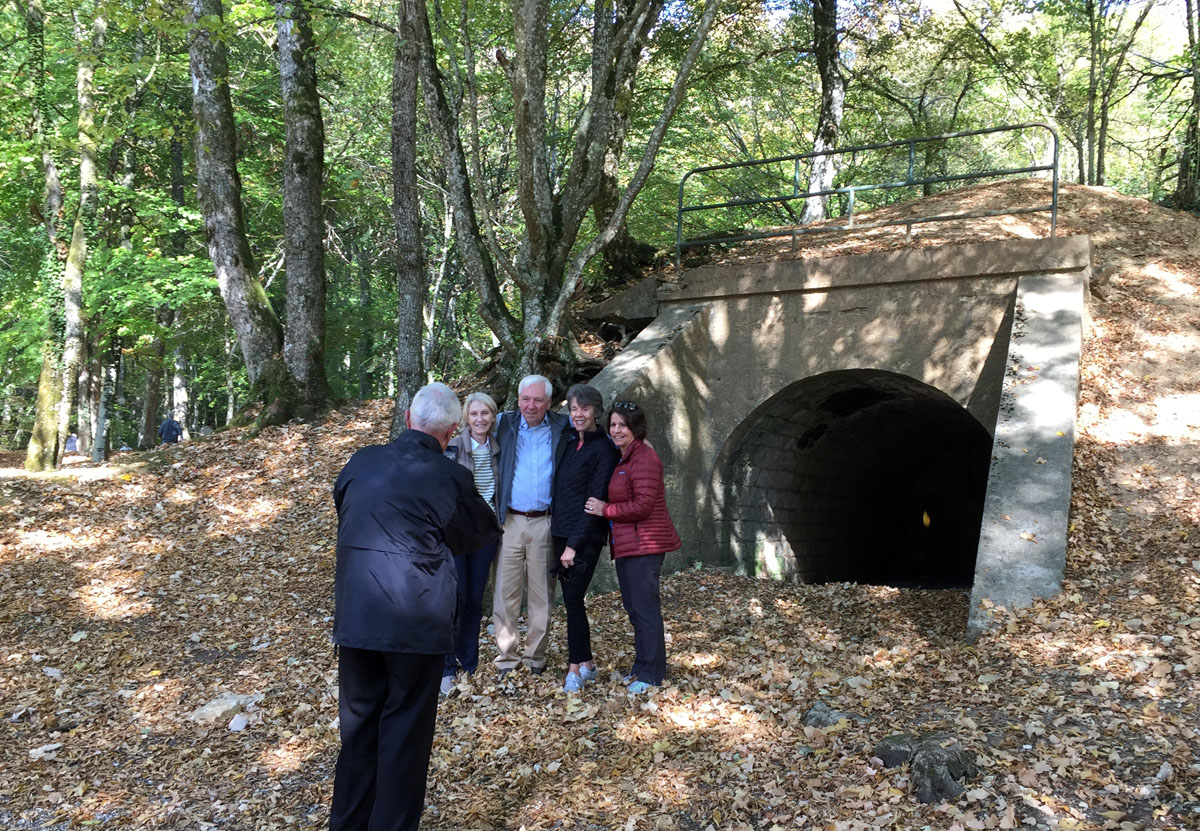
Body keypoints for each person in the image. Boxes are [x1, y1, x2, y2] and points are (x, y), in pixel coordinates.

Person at [330, 382, 502, 831]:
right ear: (451, 433)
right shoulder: (448, 477)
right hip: (415, 625)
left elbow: (345, 506)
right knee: (404, 735)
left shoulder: (361, 462)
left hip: (357, 619)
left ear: (409, 417)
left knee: (359, 729)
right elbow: (480, 533)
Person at [584, 401, 681, 694]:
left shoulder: (644, 458)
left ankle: (652, 674)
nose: (616, 430)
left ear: (635, 428)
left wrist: (606, 510)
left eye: (622, 426)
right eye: (612, 425)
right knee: (635, 609)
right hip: (629, 546)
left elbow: (643, 505)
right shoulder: (626, 456)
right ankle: (642, 666)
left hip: (645, 546)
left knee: (645, 610)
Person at [492, 375, 568, 677]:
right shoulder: (503, 424)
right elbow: (470, 437)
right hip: (509, 521)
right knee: (505, 592)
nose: (531, 405)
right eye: (526, 399)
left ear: (549, 403)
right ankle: (506, 658)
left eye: (538, 400)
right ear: (518, 399)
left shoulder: (562, 427)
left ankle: (536, 657)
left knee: (542, 596)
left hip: (545, 522)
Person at [551, 385, 619, 693]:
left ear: (596, 411)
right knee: (571, 601)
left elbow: (595, 500)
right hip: (560, 531)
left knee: (573, 601)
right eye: (574, 409)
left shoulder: (603, 448)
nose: (578, 414)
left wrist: (572, 546)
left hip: (584, 536)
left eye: (585, 409)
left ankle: (575, 669)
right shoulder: (568, 440)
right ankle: (587, 663)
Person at [440, 391, 502, 694]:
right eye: (474, 414)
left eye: (485, 414)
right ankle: (447, 665)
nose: (480, 419)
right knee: (457, 599)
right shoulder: (452, 447)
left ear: (493, 416)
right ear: (466, 418)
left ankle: (470, 661)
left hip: (486, 534)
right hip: (456, 534)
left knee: (476, 600)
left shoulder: (500, 447)